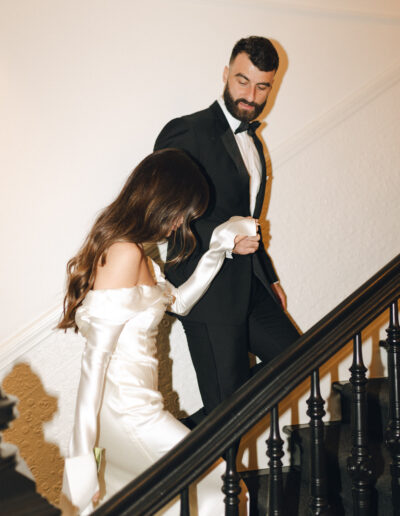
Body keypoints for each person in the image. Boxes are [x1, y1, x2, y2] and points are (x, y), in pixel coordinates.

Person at [57, 148, 256, 514]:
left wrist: (218, 248)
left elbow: (178, 303)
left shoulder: (141, 256)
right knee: (223, 487)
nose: (180, 224)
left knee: (169, 502)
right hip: (128, 413)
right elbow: (94, 362)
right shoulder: (124, 253)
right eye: (181, 213)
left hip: (136, 408)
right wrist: (81, 456)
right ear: (159, 200)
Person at [154, 36, 300, 418]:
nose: (251, 94)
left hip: (250, 287)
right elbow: (164, 210)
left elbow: (247, 218)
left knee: (300, 359)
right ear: (225, 74)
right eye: (242, 80)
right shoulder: (186, 132)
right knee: (229, 416)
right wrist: (224, 237)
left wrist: (268, 277)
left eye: (262, 85)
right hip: (206, 294)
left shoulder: (255, 144)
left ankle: (185, 437)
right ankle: (181, 445)